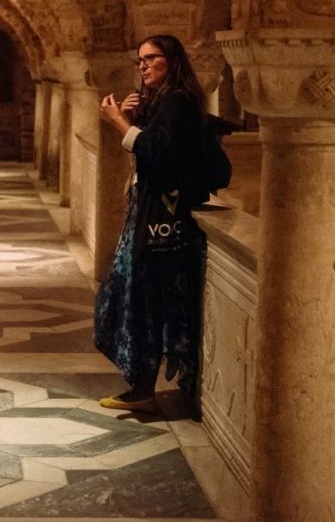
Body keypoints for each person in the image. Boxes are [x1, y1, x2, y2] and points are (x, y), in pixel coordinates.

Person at [93, 34, 209, 414]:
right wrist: (133, 119)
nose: (143, 66)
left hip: (162, 220)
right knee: (133, 298)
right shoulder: (164, 102)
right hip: (151, 214)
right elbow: (159, 144)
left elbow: (161, 154)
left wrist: (119, 124)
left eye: (151, 58)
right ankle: (142, 385)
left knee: (140, 300)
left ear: (172, 61)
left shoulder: (177, 102)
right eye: (139, 60)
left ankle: (144, 388)